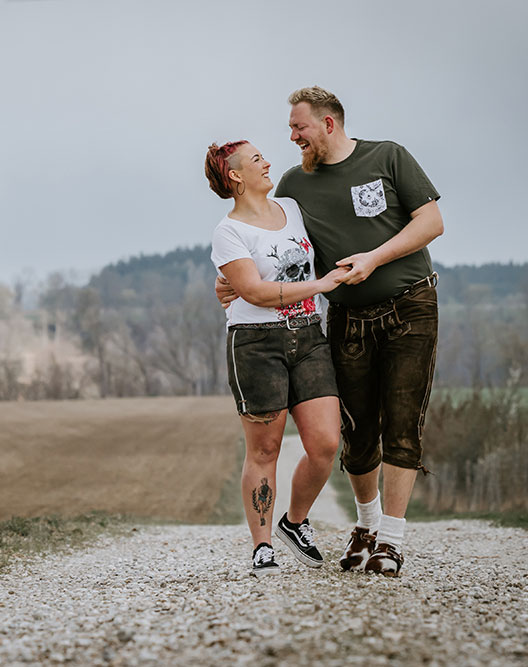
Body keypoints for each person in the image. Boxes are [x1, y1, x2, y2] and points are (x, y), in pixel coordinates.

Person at [216, 87, 444, 577]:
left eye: (298, 127)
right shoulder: (296, 185)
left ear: (328, 124)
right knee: (358, 433)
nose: (292, 138)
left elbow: (432, 222)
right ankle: (362, 527)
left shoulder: (389, 157)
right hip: (343, 319)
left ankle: (392, 541)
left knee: (401, 425)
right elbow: (272, 240)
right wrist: (231, 280)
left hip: (411, 306)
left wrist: (375, 258)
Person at [205, 140, 347, 575]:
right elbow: (255, 293)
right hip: (255, 343)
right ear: (235, 176)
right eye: (256, 160)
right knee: (264, 449)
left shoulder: (293, 208)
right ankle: (262, 546)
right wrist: (320, 287)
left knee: (325, 443)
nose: (267, 163)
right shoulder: (229, 232)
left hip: (308, 338)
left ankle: (294, 522)